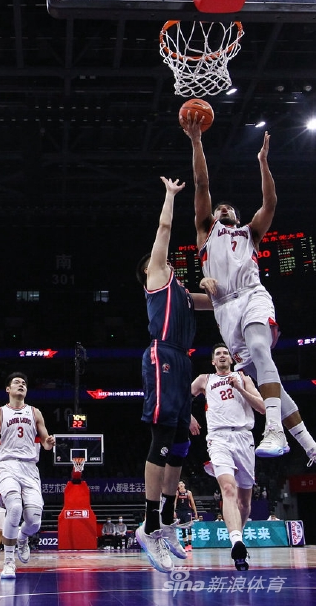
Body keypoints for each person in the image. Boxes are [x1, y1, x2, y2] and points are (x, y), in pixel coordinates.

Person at [184, 118, 316, 485]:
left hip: (253, 295)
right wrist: (196, 141)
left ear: (237, 216)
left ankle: (273, 429)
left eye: (229, 208)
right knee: (271, 383)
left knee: (260, 349)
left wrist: (262, 163)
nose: (223, 209)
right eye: (219, 208)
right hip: (225, 310)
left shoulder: (250, 234)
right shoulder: (205, 232)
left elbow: (270, 202)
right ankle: (315, 450)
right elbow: (201, 183)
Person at [134, 176, 216, 574]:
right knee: (163, 437)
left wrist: (225, 283)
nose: (164, 257)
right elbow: (164, 228)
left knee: (182, 443)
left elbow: (215, 303)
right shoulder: (157, 276)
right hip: (162, 355)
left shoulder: (182, 292)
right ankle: (149, 525)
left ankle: (166, 520)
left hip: (183, 362)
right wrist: (169, 196)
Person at [0, 372, 56, 580]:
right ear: (8, 389)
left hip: (30, 468)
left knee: (34, 521)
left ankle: (22, 537)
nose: (21, 384)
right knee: (15, 507)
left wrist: (49, 443)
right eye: (17, 382)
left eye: (24, 383)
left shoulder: (35, 412)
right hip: (7, 465)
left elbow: (45, 443)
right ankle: (9, 562)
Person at [190, 341, 267, 570]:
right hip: (218, 438)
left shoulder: (243, 378)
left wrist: (240, 389)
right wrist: (188, 417)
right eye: (218, 354)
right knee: (228, 489)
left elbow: (262, 407)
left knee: (244, 502)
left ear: (231, 359)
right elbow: (181, 398)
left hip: (244, 437)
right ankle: (236, 541)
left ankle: (237, 540)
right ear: (213, 361)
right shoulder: (204, 379)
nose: (223, 356)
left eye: (226, 353)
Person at [174, 481, 199, 550]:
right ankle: (186, 545)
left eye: (182, 483)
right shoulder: (177, 493)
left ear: (184, 485)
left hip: (187, 511)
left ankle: (190, 544)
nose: (181, 484)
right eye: (179, 483)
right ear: (178, 486)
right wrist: (174, 511)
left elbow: (192, 503)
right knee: (183, 529)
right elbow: (174, 503)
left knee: (189, 527)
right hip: (179, 512)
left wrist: (195, 513)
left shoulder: (188, 492)